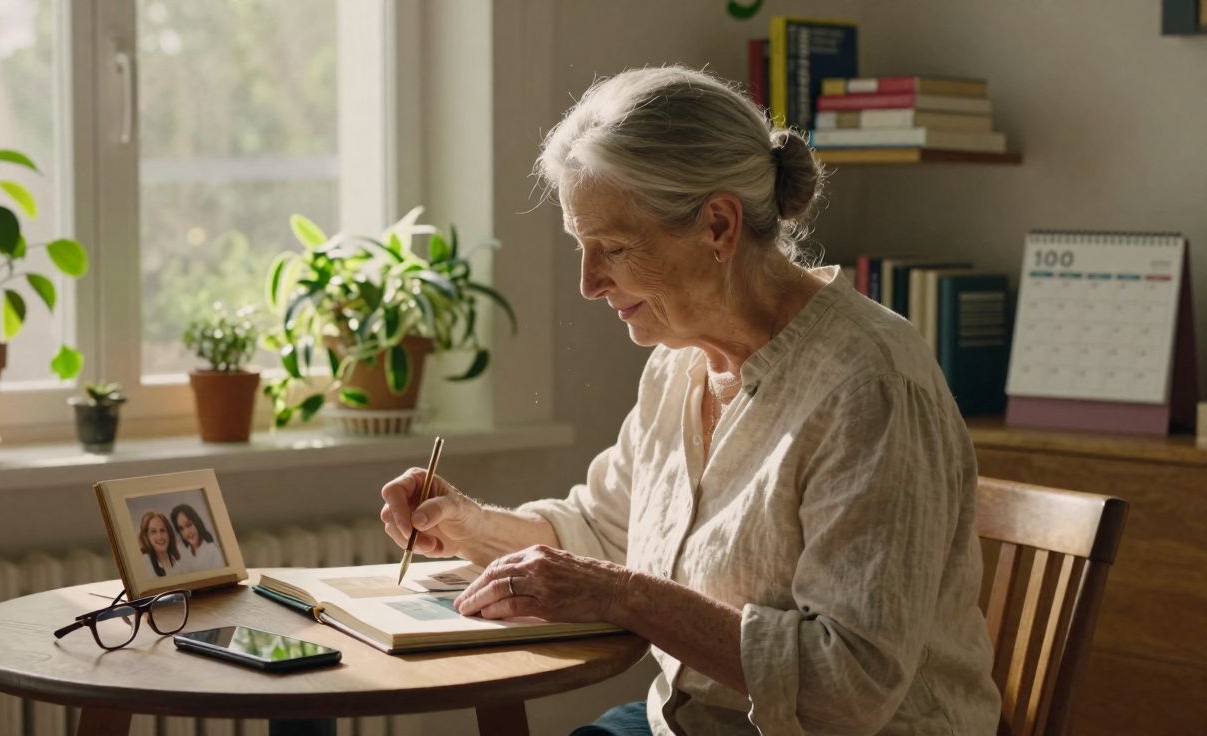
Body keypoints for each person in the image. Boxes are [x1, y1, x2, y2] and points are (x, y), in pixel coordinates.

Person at [379, 66, 1000, 735]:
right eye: (581, 248)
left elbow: (847, 688)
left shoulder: (869, 387)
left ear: (718, 227)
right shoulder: (678, 365)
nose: (589, 284)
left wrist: (622, 595)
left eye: (612, 248)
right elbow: (604, 532)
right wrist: (474, 527)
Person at [170, 503, 226, 573]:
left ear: (196, 522)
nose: (187, 532)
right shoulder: (184, 555)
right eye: (181, 529)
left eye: (189, 525)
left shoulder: (213, 551)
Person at [138, 511, 180, 578]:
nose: (159, 537)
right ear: (146, 537)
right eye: (153, 532)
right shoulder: (144, 564)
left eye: (162, 530)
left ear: (169, 533)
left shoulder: (176, 563)